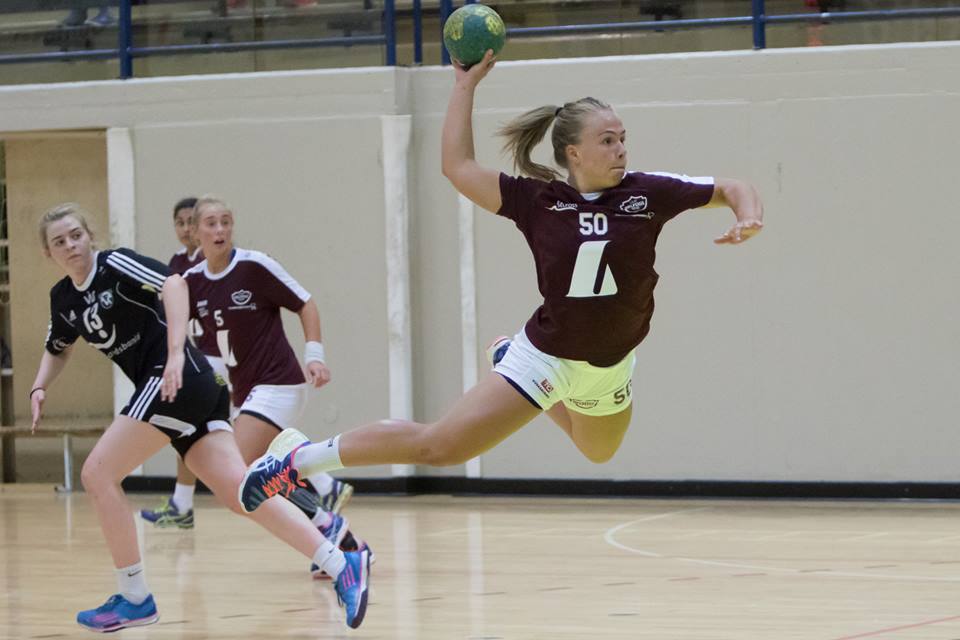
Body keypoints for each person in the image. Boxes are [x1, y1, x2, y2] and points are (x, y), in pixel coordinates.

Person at [238, 50, 764, 516]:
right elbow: (457, 166)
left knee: (598, 451)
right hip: (548, 357)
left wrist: (748, 216)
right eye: (608, 140)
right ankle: (297, 461)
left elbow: (733, 186)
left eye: (623, 138)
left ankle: (515, 363)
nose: (621, 149)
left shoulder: (650, 192)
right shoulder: (538, 201)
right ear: (574, 152)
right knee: (439, 447)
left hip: (611, 364)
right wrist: (464, 85)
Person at [30, 203, 370, 631]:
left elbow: (174, 283)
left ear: (89, 235)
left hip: (176, 376)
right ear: (49, 253)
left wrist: (175, 352)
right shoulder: (63, 298)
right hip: (194, 387)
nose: (71, 245)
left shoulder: (114, 264)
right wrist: (39, 386)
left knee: (97, 473)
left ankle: (134, 596)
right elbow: (57, 347)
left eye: (76, 235)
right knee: (240, 492)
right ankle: (342, 563)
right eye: (59, 241)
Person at [183, 195, 357, 578]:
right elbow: (200, 342)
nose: (220, 230)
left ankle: (326, 516)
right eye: (211, 223)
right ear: (195, 232)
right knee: (255, 473)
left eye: (226, 221)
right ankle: (339, 534)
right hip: (244, 393)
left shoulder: (254, 266)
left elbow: (306, 303)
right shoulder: (191, 283)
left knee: (240, 472)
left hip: (280, 383)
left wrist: (315, 355)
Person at [140, 197, 207, 529]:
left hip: (220, 360)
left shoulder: (213, 259)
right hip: (194, 357)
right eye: (180, 223)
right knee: (187, 430)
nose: (186, 229)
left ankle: (321, 484)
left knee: (251, 435)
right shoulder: (176, 262)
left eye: (191, 221)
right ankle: (182, 504)